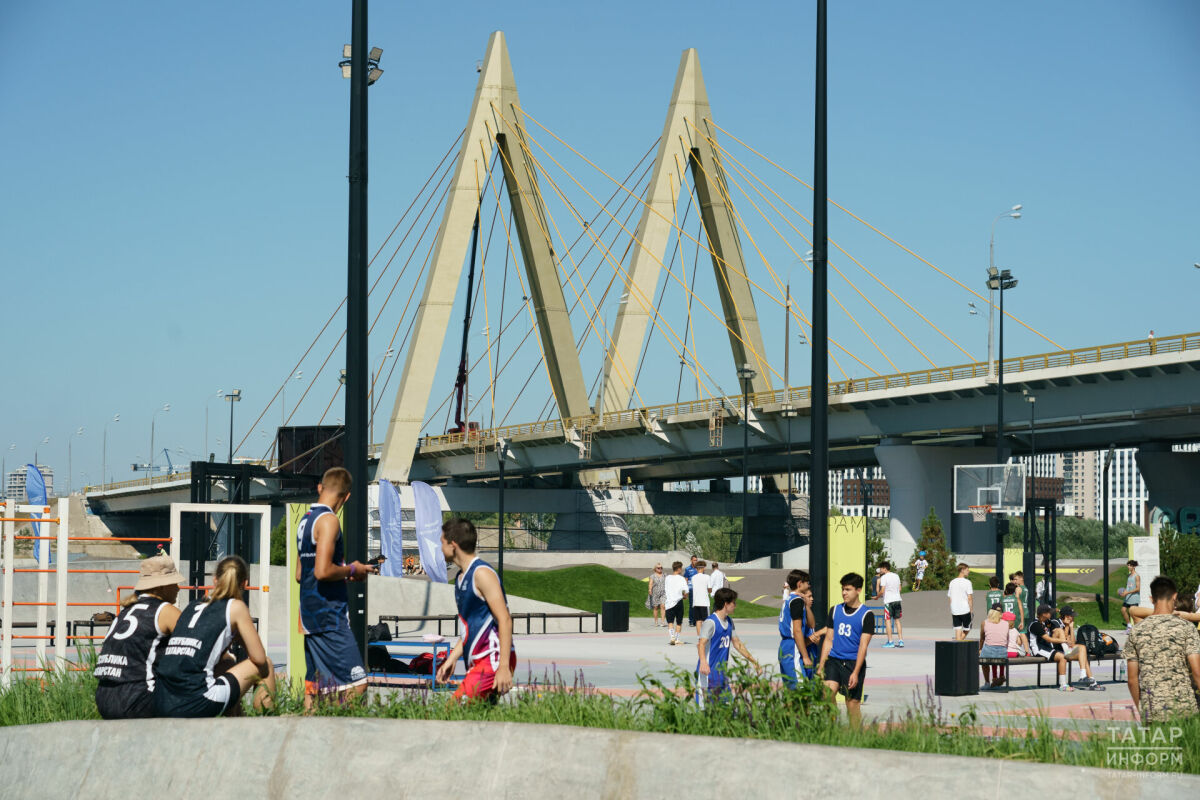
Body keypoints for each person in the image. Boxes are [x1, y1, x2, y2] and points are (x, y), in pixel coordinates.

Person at [295, 467, 376, 710]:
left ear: (320, 487)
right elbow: (322, 571)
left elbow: (302, 574)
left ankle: (307, 735)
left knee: (315, 688)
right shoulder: (329, 521)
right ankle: (339, 736)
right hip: (328, 615)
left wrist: (340, 574)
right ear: (347, 496)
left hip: (308, 616)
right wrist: (352, 570)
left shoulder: (305, 520)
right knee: (358, 683)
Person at [154, 556, 275, 717]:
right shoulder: (235, 607)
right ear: (245, 584)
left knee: (227, 664)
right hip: (196, 700)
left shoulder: (193, 605)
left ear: (215, 580)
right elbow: (258, 658)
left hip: (163, 699)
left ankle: (236, 722)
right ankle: (264, 725)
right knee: (265, 665)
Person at [94, 555, 185, 719]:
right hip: (139, 698)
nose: (178, 588)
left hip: (104, 697)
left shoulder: (125, 611)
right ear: (162, 587)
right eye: (174, 583)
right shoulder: (165, 610)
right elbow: (196, 644)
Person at [435, 518, 515, 701]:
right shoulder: (461, 578)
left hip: (492, 659)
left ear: (453, 544)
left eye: (442, 542)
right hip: (478, 660)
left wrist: (503, 667)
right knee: (480, 719)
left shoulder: (481, 574)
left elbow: (505, 619)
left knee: (452, 713)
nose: (440, 548)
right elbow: (471, 627)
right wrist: (452, 658)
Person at [1125, 575, 1200, 723]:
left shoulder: (1137, 631)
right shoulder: (1186, 628)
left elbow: (1132, 680)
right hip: (1184, 709)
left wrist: (1143, 711)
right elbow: (1197, 672)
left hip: (1152, 711)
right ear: (1174, 596)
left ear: (1151, 599)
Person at [818, 572, 874, 728]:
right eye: (843, 589)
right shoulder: (835, 610)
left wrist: (855, 672)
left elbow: (863, 646)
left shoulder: (866, 615)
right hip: (834, 660)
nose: (844, 593)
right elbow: (828, 640)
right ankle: (832, 728)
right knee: (827, 694)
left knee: (852, 704)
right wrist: (821, 664)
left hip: (853, 663)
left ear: (858, 590)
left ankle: (856, 738)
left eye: (848, 589)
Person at [695, 587, 760, 707]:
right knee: (706, 711)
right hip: (708, 673)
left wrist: (753, 661)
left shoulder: (729, 621)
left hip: (722, 674)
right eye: (733, 602)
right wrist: (703, 662)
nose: (735, 605)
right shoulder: (711, 622)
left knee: (726, 708)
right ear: (726, 604)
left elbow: (737, 643)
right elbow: (701, 644)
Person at [778, 569, 813, 687]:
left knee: (790, 690)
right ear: (799, 584)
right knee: (800, 689)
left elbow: (811, 624)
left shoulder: (789, 598)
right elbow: (797, 630)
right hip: (793, 647)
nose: (808, 585)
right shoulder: (797, 601)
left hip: (784, 646)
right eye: (807, 582)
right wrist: (805, 656)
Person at [1057, 606, 1104, 690]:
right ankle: (1089, 680)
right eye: (1072, 616)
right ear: (1066, 616)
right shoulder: (1057, 623)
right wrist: (1067, 627)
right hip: (1059, 652)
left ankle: (1089, 680)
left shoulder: (1068, 625)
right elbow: (1063, 640)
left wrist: (1071, 627)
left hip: (1067, 651)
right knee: (1082, 650)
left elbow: (1072, 643)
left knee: (1083, 652)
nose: (1073, 618)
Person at [978, 607, 1011, 689]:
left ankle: (987, 682)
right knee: (997, 654)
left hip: (989, 650)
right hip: (1002, 651)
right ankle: (1000, 677)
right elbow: (1007, 639)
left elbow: (982, 639)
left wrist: (980, 649)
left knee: (983, 662)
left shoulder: (984, 623)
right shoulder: (1006, 623)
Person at [874, 561, 904, 648]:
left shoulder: (884, 577)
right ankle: (901, 640)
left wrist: (877, 597)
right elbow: (900, 588)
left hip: (888, 601)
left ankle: (890, 642)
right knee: (897, 620)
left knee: (887, 621)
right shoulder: (896, 576)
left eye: (881, 568)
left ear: (884, 568)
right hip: (897, 600)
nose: (880, 570)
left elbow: (882, 590)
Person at [663, 561, 688, 645]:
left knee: (670, 622)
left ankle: (672, 637)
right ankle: (677, 639)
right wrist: (685, 596)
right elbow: (686, 590)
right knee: (679, 622)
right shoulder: (681, 579)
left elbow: (665, 589)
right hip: (678, 601)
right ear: (679, 568)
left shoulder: (667, 578)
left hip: (669, 602)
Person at [947, 563, 974, 640]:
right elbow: (969, 598)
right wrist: (971, 610)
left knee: (958, 629)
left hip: (954, 610)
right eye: (967, 570)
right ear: (962, 570)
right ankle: (959, 642)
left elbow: (950, 597)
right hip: (965, 609)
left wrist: (952, 607)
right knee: (967, 628)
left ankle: (957, 646)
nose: (968, 571)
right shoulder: (967, 582)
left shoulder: (952, 582)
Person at [1000, 582, 1028, 652]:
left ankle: (1009, 649)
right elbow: (1021, 610)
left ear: (1006, 590)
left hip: (1005, 621)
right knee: (1021, 635)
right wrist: (1022, 621)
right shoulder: (1017, 599)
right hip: (1015, 620)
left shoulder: (1003, 600)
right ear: (1014, 590)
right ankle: (1025, 651)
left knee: (1006, 635)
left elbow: (1000, 611)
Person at [1119, 560, 1142, 633]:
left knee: (1133, 614)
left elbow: (1138, 588)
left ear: (1134, 567)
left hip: (1134, 598)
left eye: (1130, 565)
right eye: (1128, 565)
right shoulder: (1129, 576)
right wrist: (1124, 592)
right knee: (1123, 610)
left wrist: (1127, 592)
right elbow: (1128, 586)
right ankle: (1129, 626)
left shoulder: (1137, 576)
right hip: (1127, 597)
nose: (1128, 567)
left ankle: (1138, 629)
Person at [691, 561, 711, 637]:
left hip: (696, 602)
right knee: (706, 621)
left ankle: (699, 636)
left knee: (698, 621)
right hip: (704, 602)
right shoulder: (707, 577)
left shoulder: (693, 578)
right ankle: (705, 636)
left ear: (696, 568)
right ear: (704, 568)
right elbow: (709, 589)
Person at [647, 563, 666, 627]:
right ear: (655, 569)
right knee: (655, 607)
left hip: (663, 593)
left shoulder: (664, 575)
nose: (660, 569)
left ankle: (663, 622)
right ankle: (656, 621)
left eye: (661, 568)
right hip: (655, 593)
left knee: (663, 606)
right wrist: (650, 590)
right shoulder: (652, 576)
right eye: (658, 568)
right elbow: (650, 584)